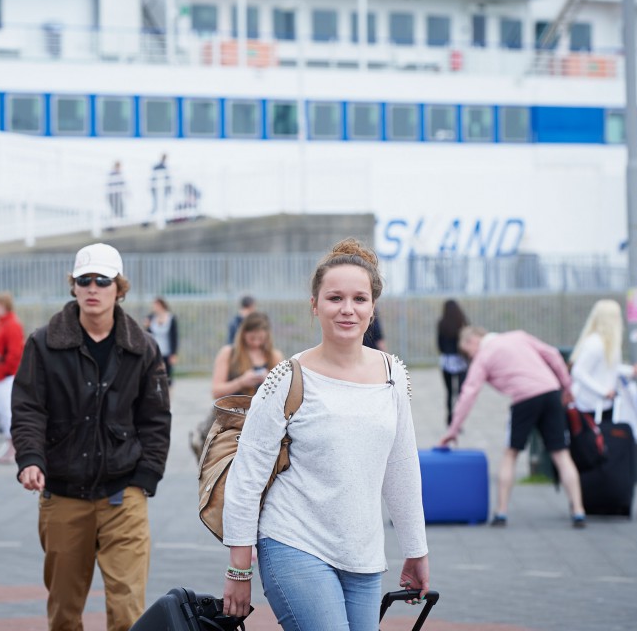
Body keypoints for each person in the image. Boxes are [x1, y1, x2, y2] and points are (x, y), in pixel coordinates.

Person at [221, 239, 429, 628]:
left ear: (373, 308)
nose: (348, 309)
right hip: (293, 542)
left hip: (364, 555)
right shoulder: (287, 377)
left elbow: (401, 465)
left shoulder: (393, 374)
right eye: (334, 298)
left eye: (359, 299)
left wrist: (415, 549)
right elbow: (247, 474)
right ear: (314, 305)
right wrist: (239, 570)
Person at [12, 242, 171, 631]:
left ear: (119, 288)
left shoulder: (142, 348)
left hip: (124, 495)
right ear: (74, 286)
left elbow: (156, 419)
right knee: (64, 612)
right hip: (63, 494)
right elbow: (28, 408)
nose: (93, 288)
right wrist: (30, 460)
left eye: (103, 280)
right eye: (85, 280)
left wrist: (145, 479)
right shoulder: (44, 342)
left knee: (129, 611)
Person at [439, 326, 587, 529]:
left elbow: (468, 394)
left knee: (510, 453)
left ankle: (501, 512)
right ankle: (578, 511)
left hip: (524, 399)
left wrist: (453, 430)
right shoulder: (519, 336)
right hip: (551, 392)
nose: (469, 356)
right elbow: (552, 354)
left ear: (473, 340)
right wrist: (567, 387)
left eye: (467, 352)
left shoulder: (484, 356)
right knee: (561, 453)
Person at [189, 312, 283, 461]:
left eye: (260, 338)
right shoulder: (229, 353)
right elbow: (216, 391)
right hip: (231, 418)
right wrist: (242, 381)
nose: (256, 343)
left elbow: (283, 394)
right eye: (252, 338)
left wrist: (269, 381)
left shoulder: (274, 356)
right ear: (243, 333)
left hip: (261, 420)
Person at [569, 300, 637, 423]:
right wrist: (603, 391)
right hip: (591, 405)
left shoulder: (608, 342)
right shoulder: (595, 344)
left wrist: (630, 371)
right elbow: (578, 371)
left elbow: (611, 367)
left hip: (604, 404)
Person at [0, 291, 24, 459]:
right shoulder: (1, 322)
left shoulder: (12, 324)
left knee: (8, 413)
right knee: (2, 413)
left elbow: (15, 353)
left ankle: (14, 447)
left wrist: (3, 370)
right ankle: (9, 446)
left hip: (5, 377)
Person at [436, 299, 470, 427]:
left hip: (447, 361)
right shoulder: (463, 322)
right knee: (461, 392)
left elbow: (439, 343)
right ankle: (458, 420)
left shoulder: (441, 323)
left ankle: (449, 418)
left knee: (449, 392)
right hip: (461, 361)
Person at [144, 297, 178, 385]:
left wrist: (174, 353)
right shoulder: (151, 318)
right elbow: (147, 335)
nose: (154, 308)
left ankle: (168, 395)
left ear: (161, 305)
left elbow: (174, 336)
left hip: (167, 351)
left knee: (167, 376)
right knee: (154, 375)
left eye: (155, 305)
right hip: (155, 352)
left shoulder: (171, 318)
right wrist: (147, 326)